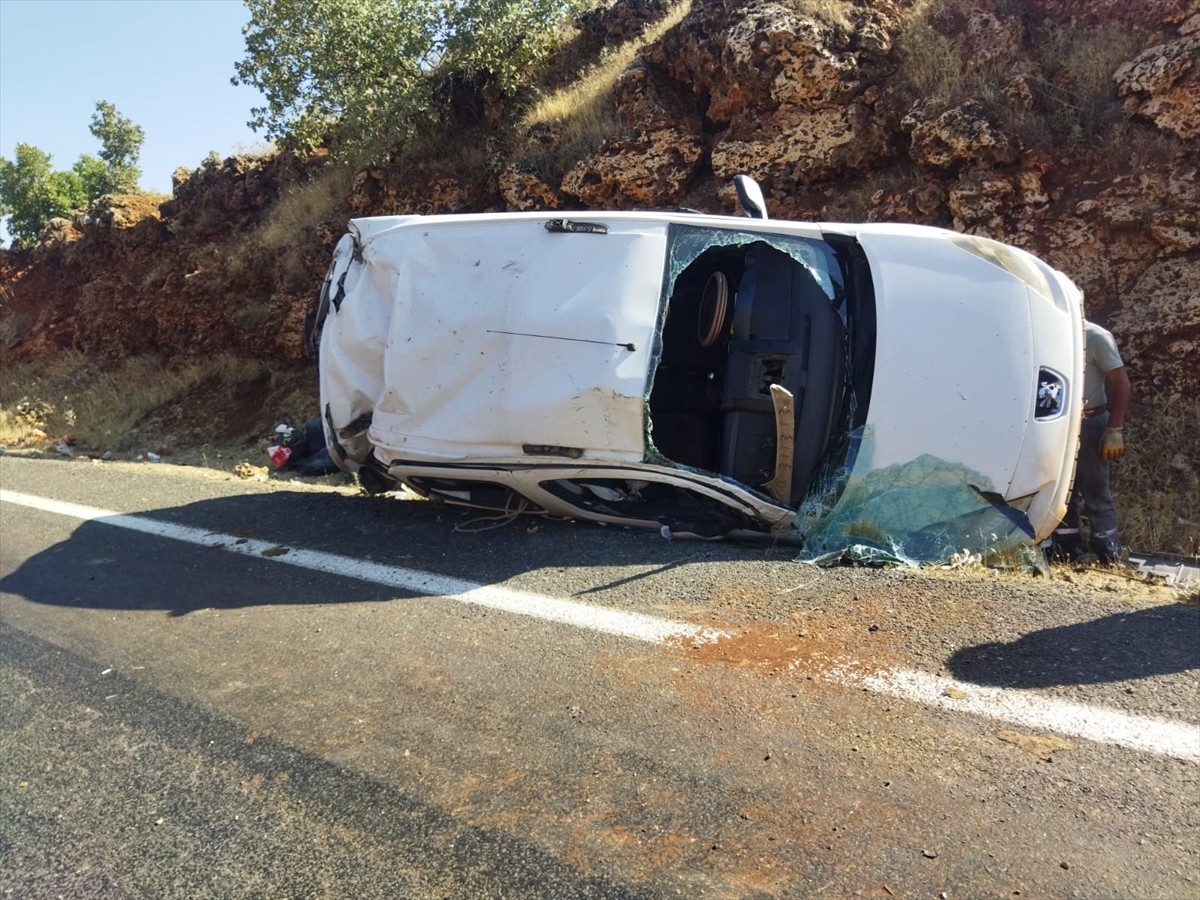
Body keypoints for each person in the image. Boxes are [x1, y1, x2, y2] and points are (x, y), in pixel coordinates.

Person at [1051, 320, 1132, 564]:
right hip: (1056, 423)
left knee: (1095, 488)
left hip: (1090, 422)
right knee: (1061, 490)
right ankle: (1067, 549)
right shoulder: (1046, 328)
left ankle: (1108, 551)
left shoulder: (1096, 337)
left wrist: (1114, 429)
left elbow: (1121, 383)